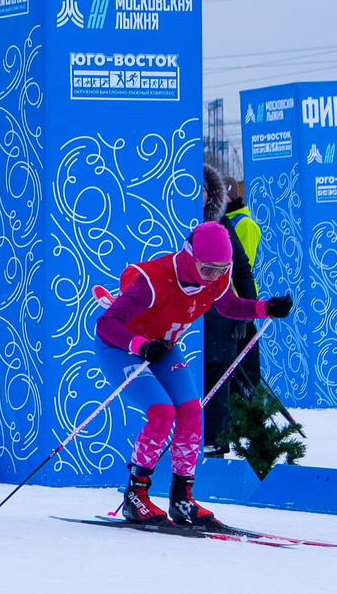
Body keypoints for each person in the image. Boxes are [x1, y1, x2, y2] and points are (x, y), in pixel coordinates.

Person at [97, 222, 291, 527]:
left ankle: (182, 498)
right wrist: (141, 345)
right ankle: (136, 495)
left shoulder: (216, 276)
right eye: (207, 269)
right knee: (162, 412)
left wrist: (265, 307)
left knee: (190, 411)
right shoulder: (155, 281)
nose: (213, 277)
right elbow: (106, 325)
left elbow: (228, 306)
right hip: (122, 347)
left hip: (162, 346)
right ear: (189, 256)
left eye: (221, 269)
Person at [202, 169, 261, 453]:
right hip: (183, 317)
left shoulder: (224, 223)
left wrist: (246, 313)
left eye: (202, 190)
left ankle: (215, 440)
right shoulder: (174, 219)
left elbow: (241, 268)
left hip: (218, 315)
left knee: (218, 376)